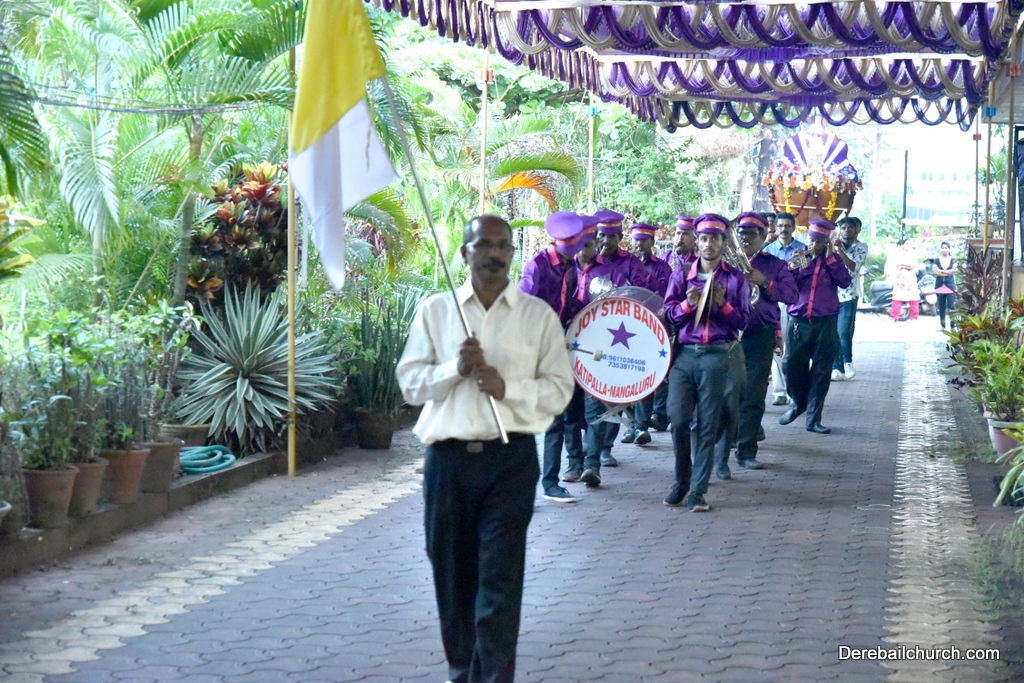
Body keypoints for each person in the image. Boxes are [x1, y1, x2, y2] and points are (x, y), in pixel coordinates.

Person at [396, 215, 575, 683]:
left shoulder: (538, 316)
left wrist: (506, 387)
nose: (494, 254)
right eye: (483, 245)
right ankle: (462, 672)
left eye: (503, 246)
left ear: (513, 253)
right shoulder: (436, 312)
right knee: (453, 579)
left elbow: (560, 390)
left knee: (499, 581)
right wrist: (453, 370)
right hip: (448, 463)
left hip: (509, 462)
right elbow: (410, 385)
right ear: (464, 253)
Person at [663, 213, 752, 511]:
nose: (708, 244)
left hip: (717, 356)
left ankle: (697, 491)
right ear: (697, 243)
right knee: (677, 421)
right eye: (703, 239)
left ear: (723, 243)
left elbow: (743, 322)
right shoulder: (681, 274)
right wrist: (688, 304)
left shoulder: (735, 278)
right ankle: (681, 481)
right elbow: (669, 314)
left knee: (708, 425)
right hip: (685, 356)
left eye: (714, 239)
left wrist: (722, 305)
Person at [575, 209, 653, 484]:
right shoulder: (584, 261)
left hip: (618, 340)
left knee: (608, 397)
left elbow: (643, 297)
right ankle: (589, 456)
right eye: (600, 236)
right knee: (589, 400)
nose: (604, 241)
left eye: (610, 237)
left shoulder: (631, 263)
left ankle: (599, 452)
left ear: (620, 237)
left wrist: (624, 293)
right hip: (585, 337)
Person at [518, 211, 587, 504]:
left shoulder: (571, 267)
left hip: (556, 346)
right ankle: (520, 488)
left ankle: (550, 483)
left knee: (556, 417)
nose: (573, 254)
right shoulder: (537, 265)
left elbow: (569, 305)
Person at [727, 212, 798, 469]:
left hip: (760, 335)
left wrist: (765, 282)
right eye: (742, 233)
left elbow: (791, 295)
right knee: (728, 392)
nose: (745, 238)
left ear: (762, 236)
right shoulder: (726, 263)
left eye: (751, 234)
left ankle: (746, 451)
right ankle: (729, 440)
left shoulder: (775, 264)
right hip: (728, 335)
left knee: (754, 393)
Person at [780, 218, 852, 435]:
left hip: (825, 323)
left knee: (821, 372)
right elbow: (787, 285)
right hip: (798, 323)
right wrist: (793, 267)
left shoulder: (833, 260)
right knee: (791, 366)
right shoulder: (799, 257)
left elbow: (845, 282)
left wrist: (831, 258)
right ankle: (799, 403)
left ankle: (813, 419)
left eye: (819, 242)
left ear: (826, 242)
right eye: (812, 240)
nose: (814, 245)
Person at [622, 222, 672, 445]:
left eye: (644, 240)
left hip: (650, 328)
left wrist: (641, 282)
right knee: (626, 376)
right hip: (624, 328)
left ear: (653, 242)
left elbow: (662, 295)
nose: (639, 244)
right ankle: (630, 426)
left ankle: (641, 425)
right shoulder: (625, 263)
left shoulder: (662, 267)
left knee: (644, 375)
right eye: (636, 240)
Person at [763, 212, 805, 406]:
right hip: (774, 304)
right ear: (776, 228)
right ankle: (779, 392)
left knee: (794, 349)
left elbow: (805, 276)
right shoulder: (769, 250)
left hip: (796, 304)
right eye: (780, 226)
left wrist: (800, 263)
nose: (784, 229)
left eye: (788, 226)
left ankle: (793, 391)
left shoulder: (802, 249)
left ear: (793, 228)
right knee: (776, 348)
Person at [830, 216, 868, 382]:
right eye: (843, 228)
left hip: (848, 295)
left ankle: (848, 361)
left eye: (850, 228)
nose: (846, 231)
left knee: (844, 331)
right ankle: (836, 367)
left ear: (856, 230)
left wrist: (840, 251)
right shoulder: (831, 244)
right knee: (833, 333)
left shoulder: (861, 247)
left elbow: (853, 267)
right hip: (831, 295)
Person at [887, 239, 920, 322]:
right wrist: (907, 266)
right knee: (897, 297)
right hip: (901, 277)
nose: (908, 245)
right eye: (906, 243)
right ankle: (894, 317)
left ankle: (914, 317)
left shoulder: (913, 254)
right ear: (903, 245)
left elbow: (913, 266)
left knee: (913, 297)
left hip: (911, 277)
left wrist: (904, 266)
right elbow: (898, 264)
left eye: (909, 243)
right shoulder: (899, 254)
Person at [933, 241, 957, 330]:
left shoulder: (953, 260)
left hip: (951, 287)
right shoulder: (937, 260)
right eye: (942, 248)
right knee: (941, 307)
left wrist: (941, 271)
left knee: (952, 306)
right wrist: (947, 273)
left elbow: (953, 271)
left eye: (946, 248)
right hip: (940, 287)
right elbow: (934, 271)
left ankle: (953, 326)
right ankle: (942, 326)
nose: (944, 250)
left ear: (949, 249)